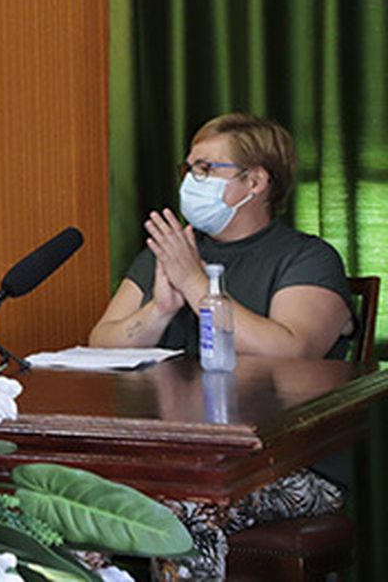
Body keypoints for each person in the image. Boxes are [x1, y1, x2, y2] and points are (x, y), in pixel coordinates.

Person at [88, 112, 355, 580]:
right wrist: (161, 309)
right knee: (70, 505)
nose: (194, 179)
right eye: (190, 168)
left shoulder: (307, 257)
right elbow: (101, 343)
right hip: (173, 459)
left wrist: (196, 283)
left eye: (208, 169)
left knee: (178, 512)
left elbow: (292, 350)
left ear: (256, 182)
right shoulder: (169, 252)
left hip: (286, 466)